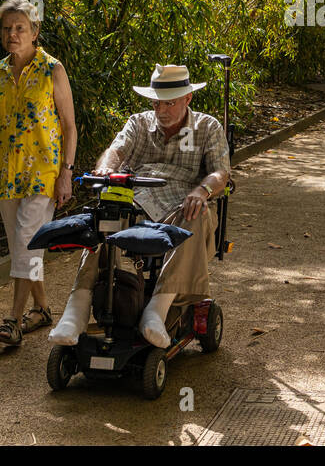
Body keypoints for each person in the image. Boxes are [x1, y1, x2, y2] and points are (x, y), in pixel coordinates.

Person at [49, 63, 231, 349]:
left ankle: (157, 309)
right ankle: (79, 304)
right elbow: (115, 151)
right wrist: (105, 169)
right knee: (105, 211)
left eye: (169, 104)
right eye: (156, 104)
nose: (161, 111)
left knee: (197, 214)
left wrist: (202, 190)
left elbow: (221, 173)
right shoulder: (139, 122)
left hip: (182, 202)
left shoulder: (207, 127)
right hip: (138, 198)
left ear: (188, 99)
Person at [0, 0, 77, 347]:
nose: (13, 34)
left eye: (20, 28)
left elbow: (70, 126)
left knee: (27, 239)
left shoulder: (52, 69)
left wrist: (67, 173)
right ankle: (41, 309)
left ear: (35, 31)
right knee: (23, 247)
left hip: (43, 171)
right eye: (7, 28)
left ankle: (12, 320)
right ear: (0, 33)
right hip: (4, 172)